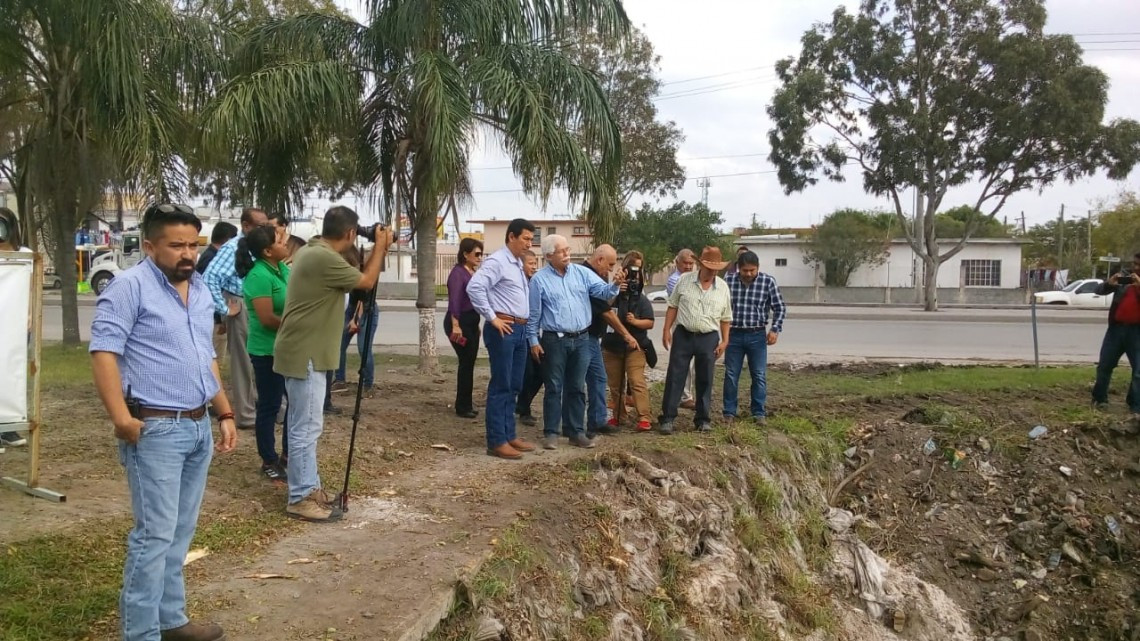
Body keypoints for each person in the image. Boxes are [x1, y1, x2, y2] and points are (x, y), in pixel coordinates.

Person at [89, 203, 238, 641]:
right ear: (151, 246)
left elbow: (203, 356)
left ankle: (172, 620)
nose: (187, 253)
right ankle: (141, 633)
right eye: (176, 245)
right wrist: (121, 420)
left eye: (193, 244)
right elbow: (103, 353)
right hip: (154, 430)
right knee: (153, 536)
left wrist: (224, 410)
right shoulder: (127, 288)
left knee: (180, 531)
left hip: (196, 427)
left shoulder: (201, 288)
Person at [273, 207, 390, 522]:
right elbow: (365, 282)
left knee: (306, 425)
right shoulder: (323, 258)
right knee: (305, 429)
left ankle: (310, 488)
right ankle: (300, 498)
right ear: (351, 234)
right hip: (306, 353)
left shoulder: (314, 250)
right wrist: (379, 246)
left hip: (306, 350)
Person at [527, 235, 622, 450]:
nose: (567, 253)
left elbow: (602, 292)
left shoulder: (581, 273)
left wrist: (615, 284)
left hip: (582, 339)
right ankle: (551, 432)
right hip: (554, 340)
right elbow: (533, 315)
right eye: (562, 251)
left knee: (577, 387)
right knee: (554, 387)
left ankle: (576, 431)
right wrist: (533, 340)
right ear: (549, 255)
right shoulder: (539, 280)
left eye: (568, 249)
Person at [467, 218, 538, 459]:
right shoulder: (498, 261)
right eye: (526, 238)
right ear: (511, 237)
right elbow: (474, 288)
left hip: (519, 330)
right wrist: (492, 317)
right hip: (503, 329)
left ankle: (509, 434)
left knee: (515, 385)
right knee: (502, 384)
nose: (529, 244)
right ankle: (496, 440)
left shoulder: (517, 263)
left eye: (531, 239)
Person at [202, 208, 271, 430]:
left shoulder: (261, 246)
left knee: (265, 358)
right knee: (242, 361)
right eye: (261, 225)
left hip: (260, 303)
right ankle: (246, 415)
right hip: (240, 303)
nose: (265, 229)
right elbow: (209, 277)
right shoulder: (232, 247)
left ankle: (268, 407)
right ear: (246, 226)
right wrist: (224, 308)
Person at [237, 225, 291, 481]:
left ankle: (289, 455)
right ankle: (268, 459)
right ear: (268, 250)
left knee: (296, 402)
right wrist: (299, 325)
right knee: (269, 405)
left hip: (288, 348)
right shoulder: (259, 276)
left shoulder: (282, 269)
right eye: (280, 241)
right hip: (267, 351)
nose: (286, 243)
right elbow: (268, 318)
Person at [659, 246, 732, 435]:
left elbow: (726, 317)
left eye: (716, 269)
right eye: (709, 268)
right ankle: (668, 418)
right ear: (701, 265)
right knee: (676, 375)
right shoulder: (684, 280)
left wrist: (725, 341)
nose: (712, 273)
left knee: (705, 377)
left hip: (708, 337)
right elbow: (672, 306)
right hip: (684, 334)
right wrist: (667, 329)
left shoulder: (723, 287)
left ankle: (702, 419)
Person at [581, 245, 639, 437]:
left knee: (599, 379)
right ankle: (575, 426)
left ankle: (597, 421)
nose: (611, 269)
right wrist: (626, 334)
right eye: (611, 265)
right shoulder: (587, 276)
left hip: (594, 337)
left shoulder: (600, 276)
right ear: (600, 260)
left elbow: (607, 304)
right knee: (577, 382)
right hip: (583, 336)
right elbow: (605, 312)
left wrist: (615, 289)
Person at [723, 250, 786, 424]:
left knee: (758, 374)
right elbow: (720, 308)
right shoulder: (728, 281)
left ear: (758, 268)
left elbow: (780, 308)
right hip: (734, 334)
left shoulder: (768, 282)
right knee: (730, 374)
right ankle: (729, 412)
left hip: (757, 335)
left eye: (752, 270)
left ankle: (758, 412)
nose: (749, 274)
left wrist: (775, 329)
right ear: (738, 269)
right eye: (745, 271)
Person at [602, 251, 656, 431]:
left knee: (636, 381)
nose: (634, 276)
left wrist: (635, 322)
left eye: (637, 272)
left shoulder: (641, 299)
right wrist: (616, 288)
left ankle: (644, 418)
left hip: (636, 347)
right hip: (612, 347)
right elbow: (603, 308)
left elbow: (650, 322)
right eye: (631, 271)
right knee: (615, 385)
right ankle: (619, 416)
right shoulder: (613, 291)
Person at [1092, 254, 1140, 414]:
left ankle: (1135, 404)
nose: (1136, 268)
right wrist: (1109, 284)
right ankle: (1099, 399)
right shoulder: (1125, 276)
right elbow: (1098, 291)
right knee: (1105, 365)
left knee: (1138, 371)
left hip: (1137, 332)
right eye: (1135, 264)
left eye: (1139, 265)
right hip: (1116, 329)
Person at [0, 207, 31, 450]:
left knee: (10, 373)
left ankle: (8, 426)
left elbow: (32, 290)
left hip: (15, 326)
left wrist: (30, 315)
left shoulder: (25, 255)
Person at [445, 238, 484, 418]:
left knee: (469, 363)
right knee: (466, 363)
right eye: (476, 254)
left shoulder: (471, 272)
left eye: (481, 254)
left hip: (471, 322)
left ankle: (466, 403)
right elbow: (455, 300)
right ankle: (462, 406)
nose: (480, 257)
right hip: (459, 322)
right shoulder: (458, 273)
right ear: (465, 254)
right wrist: (456, 325)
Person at [666, 248, 698, 410]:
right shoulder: (675, 280)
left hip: (691, 325)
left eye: (691, 263)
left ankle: (684, 395)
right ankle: (684, 396)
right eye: (685, 262)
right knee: (682, 363)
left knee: (690, 364)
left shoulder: (691, 278)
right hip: (680, 325)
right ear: (677, 262)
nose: (688, 266)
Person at [514, 251, 543, 425]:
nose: (534, 267)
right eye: (531, 263)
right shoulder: (516, 284)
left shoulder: (535, 282)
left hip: (535, 334)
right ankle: (523, 409)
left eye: (535, 263)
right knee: (527, 373)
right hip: (519, 333)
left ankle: (523, 404)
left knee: (540, 372)